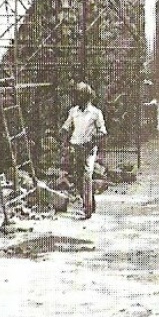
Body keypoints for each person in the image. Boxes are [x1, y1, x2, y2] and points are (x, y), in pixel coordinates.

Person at [60, 82, 107, 219]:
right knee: (79, 178)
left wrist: (92, 142)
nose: (77, 98)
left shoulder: (95, 113)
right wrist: (63, 137)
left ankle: (87, 209)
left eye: (80, 95)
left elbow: (103, 132)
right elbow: (66, 127)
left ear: (87, 97)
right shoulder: (73, 111)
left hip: (89, 148)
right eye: (76, 95)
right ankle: (90, 201)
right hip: (76, 148)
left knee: (87, 175)